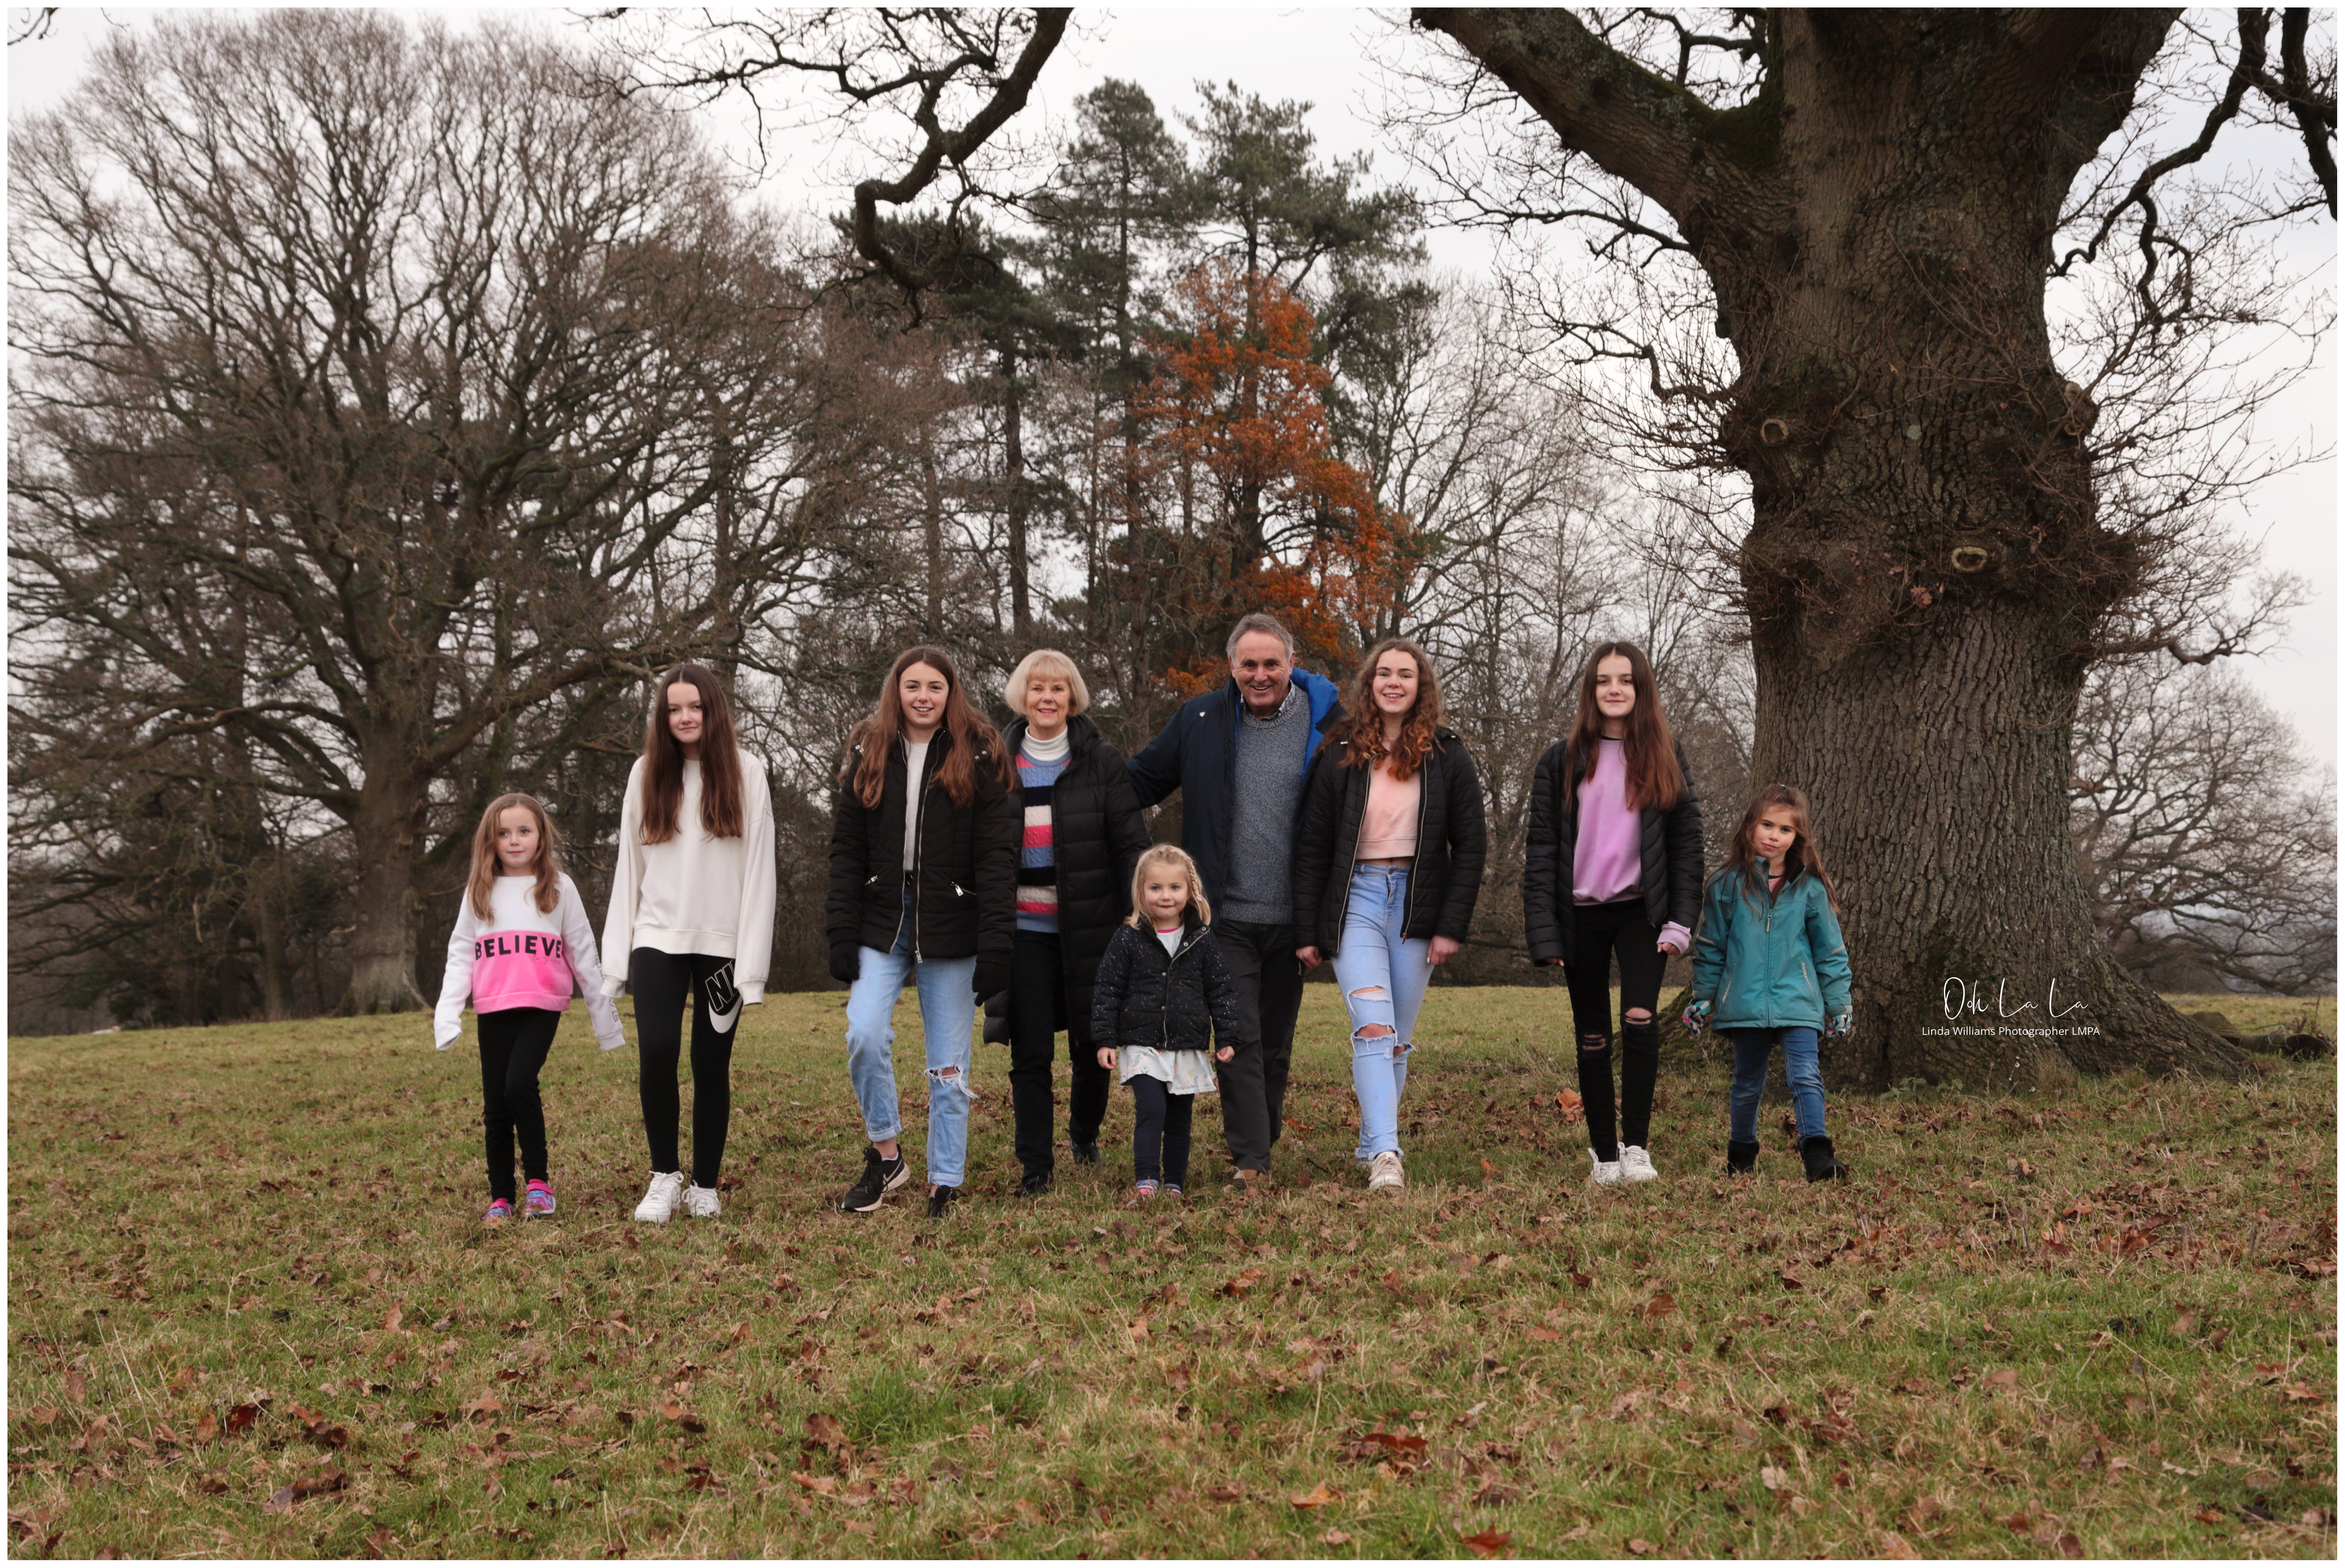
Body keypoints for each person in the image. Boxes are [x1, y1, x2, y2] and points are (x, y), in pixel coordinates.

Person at [1126, 612, 1341, 1193]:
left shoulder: (1329, 728)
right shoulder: (1201, 719)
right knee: (1238, 1036)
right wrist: (1071, 770)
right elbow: (1138, 782)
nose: (1260, 674)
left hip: (1294, 919)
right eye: (1249, 664)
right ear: (1232, 667)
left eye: (1272, 663)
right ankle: (1250, 1163)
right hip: (1225, 918)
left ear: (1291, 664)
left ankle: (1259, 1140)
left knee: (1273, 1044)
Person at [827, 645, 1018, 1219]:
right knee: (863, 1032)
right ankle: (887, 1155)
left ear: (950, 691)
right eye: (913, 686)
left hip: (953, 919)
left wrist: (997, 944)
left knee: (949, 1064)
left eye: (935, 686)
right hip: (883, 915)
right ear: (897, 690)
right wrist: (840, 930)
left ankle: (944, 1180)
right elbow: (845, 849)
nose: (923, 696)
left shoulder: (980, 752)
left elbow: (997, 857)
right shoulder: (870, 748)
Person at [1292, 638, 1488, 1194]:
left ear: (1421, 685)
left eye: (1406, 674)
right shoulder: (1340, 750)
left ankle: (1368, 1139)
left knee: (1396, 1037)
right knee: (1373, 1025)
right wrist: (1309, 930)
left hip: (1418, 903)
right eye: (1385, 673)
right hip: (1355, 898)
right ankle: (1385, 1153)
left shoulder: (1448, 755)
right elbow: (1312, 846)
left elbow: (1470, 846)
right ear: (1370, 684)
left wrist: (1451, 925)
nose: (1394, 682)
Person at [1523, 641, 1703, 1187]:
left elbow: (1687, 847)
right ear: (1591, 690)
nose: (1615, 689)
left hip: (1641, 914)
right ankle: (1604, 1154)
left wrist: (1681, 921)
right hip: (1579, 917)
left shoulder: (1666, 756)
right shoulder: (1561, 760)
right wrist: (1545, 933)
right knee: (1594, 1038)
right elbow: (1541, 852)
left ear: (1641, 689)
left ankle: (1638, 1148)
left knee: (1640, 1021)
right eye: (1604, 680)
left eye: (1626, 680)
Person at [601, 664, 776, 1223]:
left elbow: (759, 872)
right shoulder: (646, 772)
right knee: (656, 1051)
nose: (684, 717)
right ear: (663, 715)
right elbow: (629, 865)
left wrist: (750, 967)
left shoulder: (748, 772)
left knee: (711, 1063)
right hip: (656, 938)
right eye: (674, 708)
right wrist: (614, 962)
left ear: (713, 710)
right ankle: (664, 1176)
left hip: (721, 944)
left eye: (695, 707)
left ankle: (705, 1183)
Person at [984, 650, 1152, 1196]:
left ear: (1072, 696)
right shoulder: (995, 761)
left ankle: (1084, 1133)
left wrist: (1137, 914)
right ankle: (1036, 1166)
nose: (1047, 698)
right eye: (1037, 688)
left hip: (1091, 929)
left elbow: (1131, 844)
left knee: (1091, 1045)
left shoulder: (1101, 761)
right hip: (1023, 931)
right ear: (1022, 696)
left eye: (1058, 688)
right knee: (1030, 1050)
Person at [434, 793, 625, 1224]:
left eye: (524, 831)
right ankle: (501, 1197)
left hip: (541, 1006)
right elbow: (461, 953)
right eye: (504, 833)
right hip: (492, 1008)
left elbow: (583, 951)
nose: (514, 841)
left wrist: (606, 1022)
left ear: (541, 837)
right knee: (495, 1104)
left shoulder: (559, 887)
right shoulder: (479, 890)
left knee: (520, 1084)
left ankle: (538, 1183)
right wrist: (447, 1015)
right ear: (490, 839)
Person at [1683, 785, 1854, 1182]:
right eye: (1766, 824)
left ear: (1797, 838)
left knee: (1805, 1075)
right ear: (1750, 826)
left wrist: (1838, 1004)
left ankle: (1817, 1155)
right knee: (1746, 1084)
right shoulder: (1725, 885)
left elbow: (1830, 952)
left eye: (1785, 829)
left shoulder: (1809, 887)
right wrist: (1703, 998)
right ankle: (1740, 1156)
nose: (1773, 835)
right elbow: (1710, 948)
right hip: (1743, 1001)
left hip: (1798, 1000)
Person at [1089, 845, 1241, 1200]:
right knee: (1152, 1106)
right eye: (1155, 888)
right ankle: (1146, 1178)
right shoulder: (1127, 938)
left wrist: (1227, 1036)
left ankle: (1174, 1181)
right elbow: (1107, 988)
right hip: (1141, 1043)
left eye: (1174, 887)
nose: (1165, 896)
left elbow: (1221, 990)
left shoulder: (1202, 940)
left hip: (1186, 1045)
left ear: (1189, 891)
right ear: (1141, 892)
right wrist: (1105, 1039)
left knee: (1178, 1116)